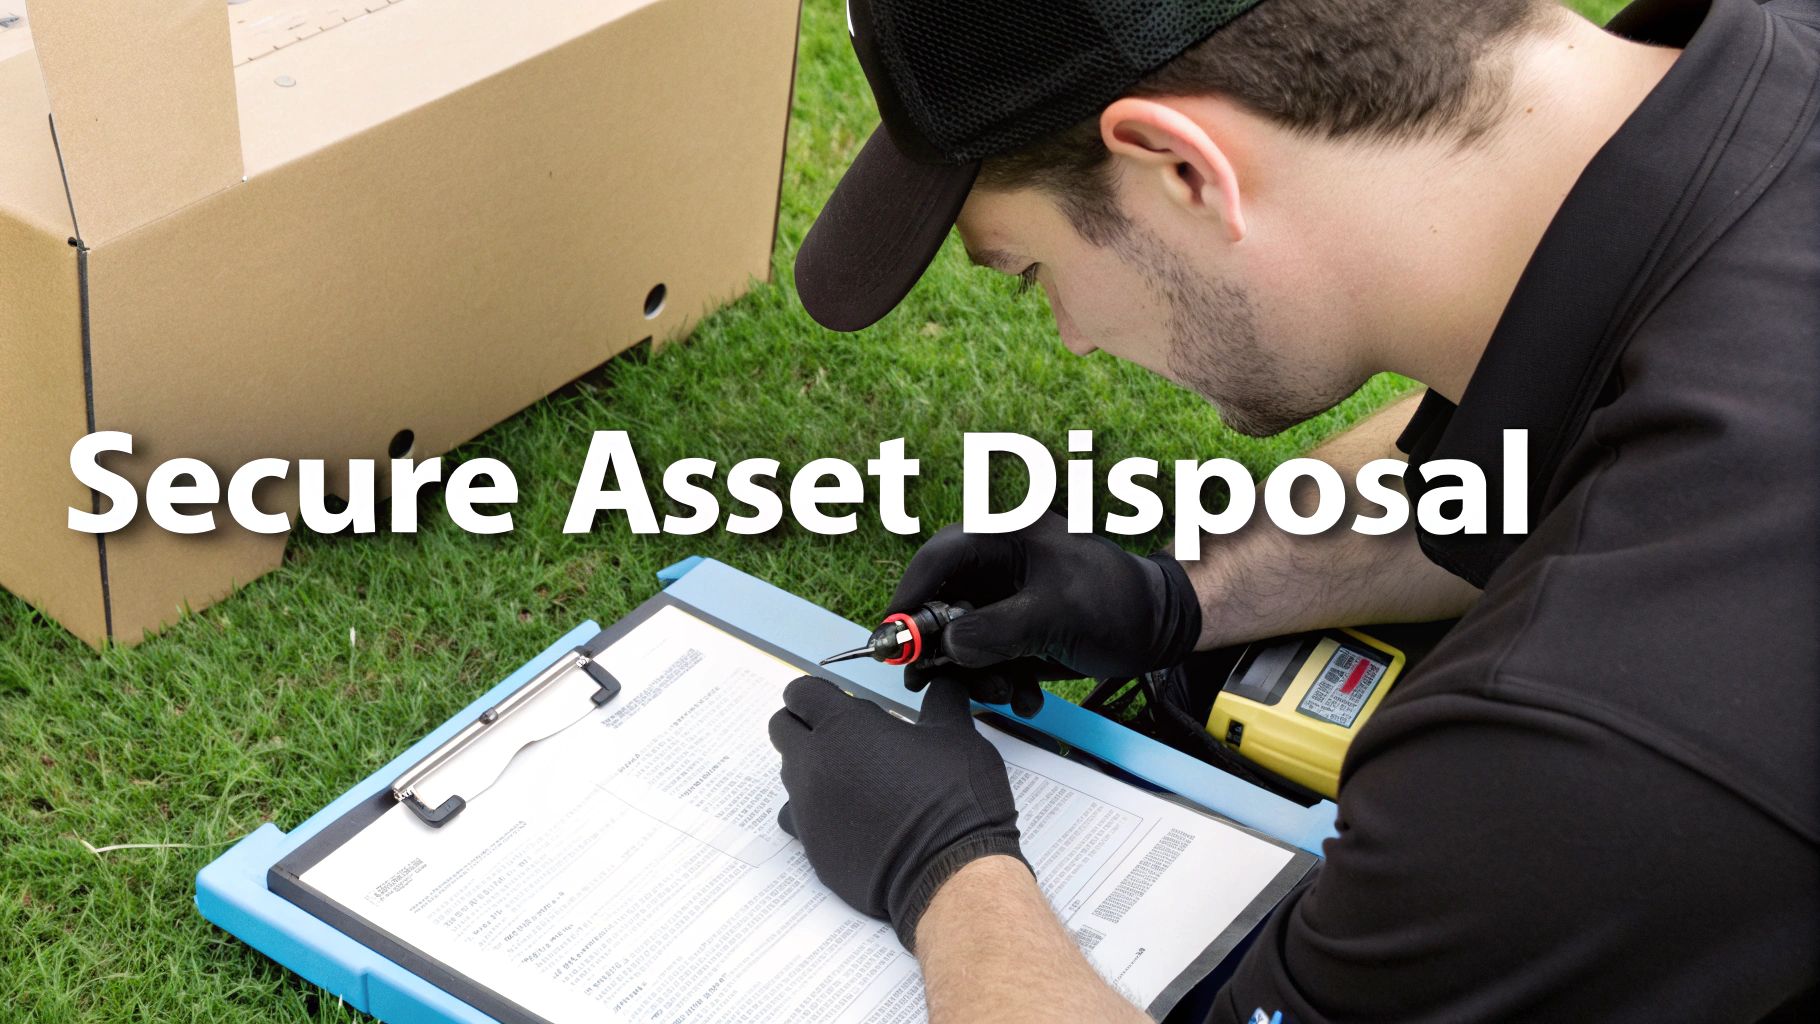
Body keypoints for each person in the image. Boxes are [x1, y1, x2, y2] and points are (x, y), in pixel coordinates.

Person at [769, 0, 1820, 1020]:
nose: (1070, 333)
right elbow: (1549, 429)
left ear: (1184, 172)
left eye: (1027, 269)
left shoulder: (1584, 746)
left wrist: (944, 870)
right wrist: (1183, 591)